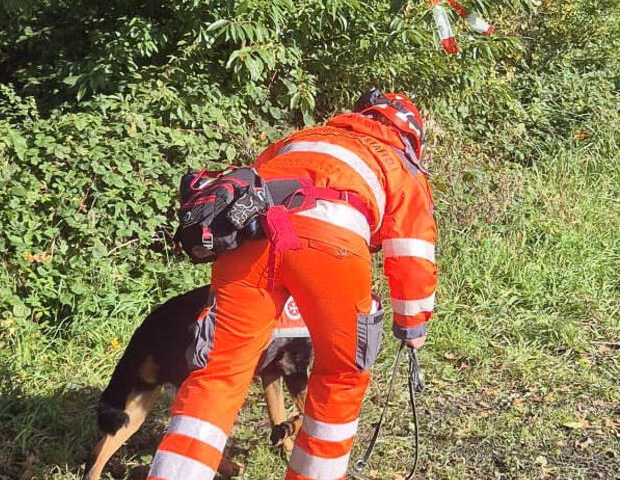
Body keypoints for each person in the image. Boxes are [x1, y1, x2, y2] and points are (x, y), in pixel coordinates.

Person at [147, 90, 439, 480]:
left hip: (250, 244)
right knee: (341, 375)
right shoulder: (398, 162)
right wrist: (412, 324)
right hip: (330, 247)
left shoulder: (301, 138)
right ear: (410, 135)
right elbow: (411, 252)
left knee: (217, 374)